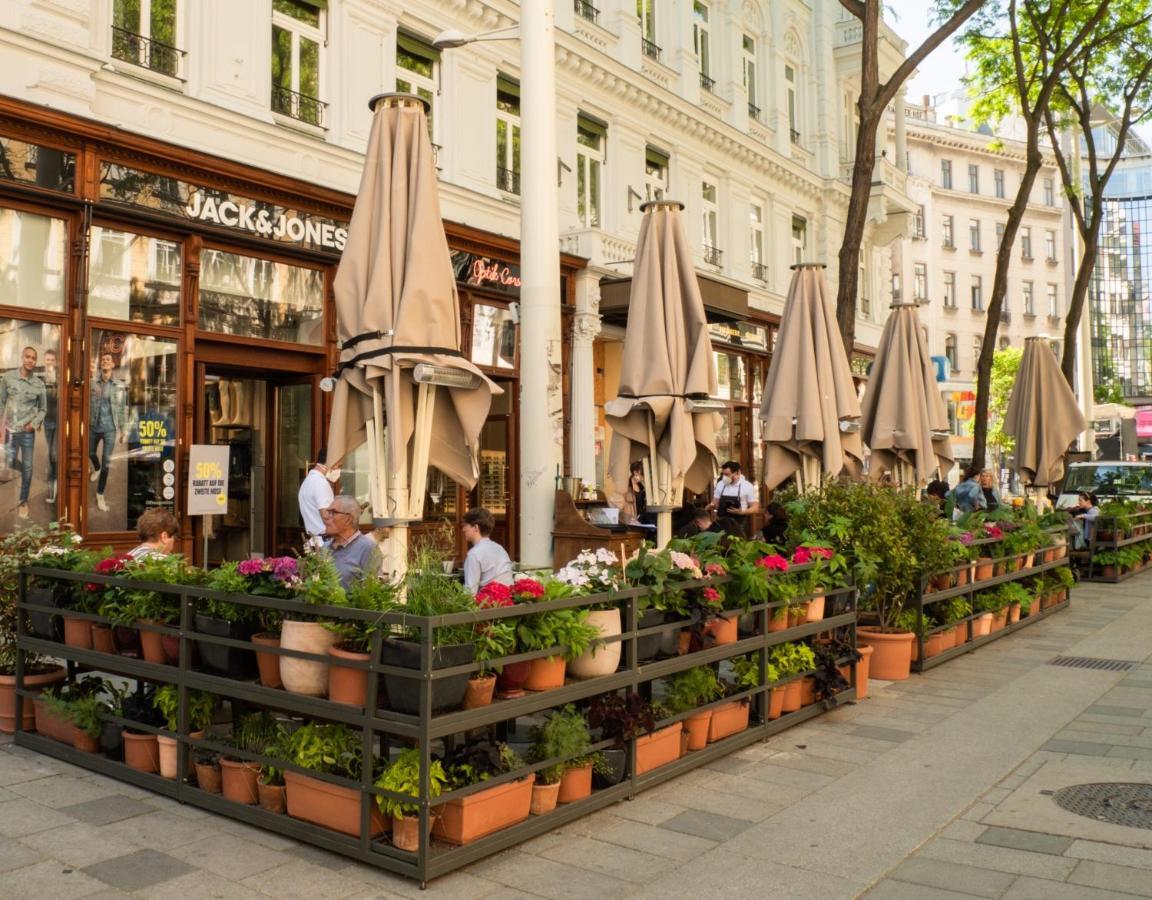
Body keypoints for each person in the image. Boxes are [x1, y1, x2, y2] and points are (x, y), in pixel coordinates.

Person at [0, 346, 46, 520]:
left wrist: (33, 424)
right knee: (11, 461)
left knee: (27, 466)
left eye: (33, 358)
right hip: (10, 430)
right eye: (28, 357)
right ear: (22, 357)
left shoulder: (39, 384)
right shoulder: (8, 378)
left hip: (27, 433)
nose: (30, 360)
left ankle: (23, 500)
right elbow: (1, 403)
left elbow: (43, 409)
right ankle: (24, 474)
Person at [88, 352, 128, 513]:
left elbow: (120, 409)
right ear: (101, 365)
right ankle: (95, 468)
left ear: (112, 365)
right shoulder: (93, 383)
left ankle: (100, 494)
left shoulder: (119, 386)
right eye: (103, 360)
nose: (105, 362)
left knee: (106, 463)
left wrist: (123, 430)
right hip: (93, 426)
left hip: (110, 429)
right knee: (89, 452)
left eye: (108, 360)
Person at [321, 494, 381, 588]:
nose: (326, 517)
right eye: (328, 512)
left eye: (332, 512)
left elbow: (370, 594)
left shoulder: (368, 549)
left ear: (348, 519)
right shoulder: (324, 548)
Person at [462, 507, 513, 594]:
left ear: (475, 527)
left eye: (465, 525)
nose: (463, 529)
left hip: (487, 604)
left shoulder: (474, 554)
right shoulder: (500, 549)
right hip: (507, 601)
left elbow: (470, 592)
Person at [298, 448, 337, 547]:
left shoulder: (309, 480)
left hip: (316, 540)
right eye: (338, 465)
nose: (338, 469)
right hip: (325, 543)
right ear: (330, 462)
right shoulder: (320, 483)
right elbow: (326, 515)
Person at [709, 460, 759, 537]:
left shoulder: (747, 486)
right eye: (723, 474)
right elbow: (715, 502)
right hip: (721, 522)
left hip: (739, 523)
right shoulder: (720, 484)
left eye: (727, 474)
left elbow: (755, 507)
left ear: (738, 473)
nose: (724, 477)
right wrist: (712, 506)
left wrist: (742, 512)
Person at [41, 349, 58, 505]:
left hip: (59, 421)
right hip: (47, 422)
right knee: (51, 457)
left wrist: (55, 385)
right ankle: (54, 486)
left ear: (56, 362)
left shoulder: (59, 377)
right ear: (44, 361)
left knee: (54, 455)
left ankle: (55, 489)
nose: (50, 362)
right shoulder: (40, 379)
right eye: (47, 360)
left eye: (52, 360)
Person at [621, 461, 647, 525]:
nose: (637, 476)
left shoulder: (642, 486)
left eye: (639, 473)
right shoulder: (625, 485)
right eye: (635, 473)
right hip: (630, 521)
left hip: (642, 520)